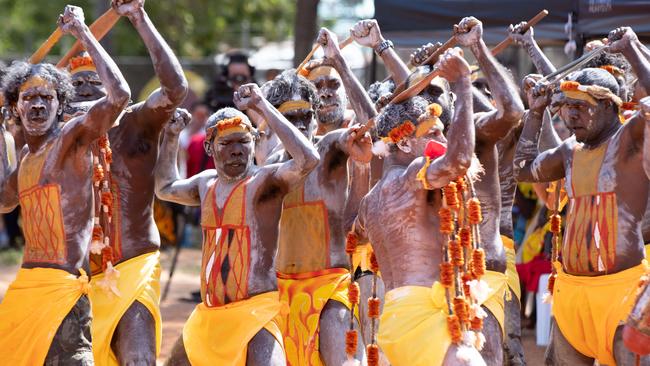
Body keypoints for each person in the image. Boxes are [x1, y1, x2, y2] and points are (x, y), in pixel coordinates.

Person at [60, 0, 189, 364]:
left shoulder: (137, 124)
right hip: (77, 279)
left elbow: (175, 88)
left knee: (138, 358)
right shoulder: (59, 139)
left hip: (134, 267)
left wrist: (138, 17)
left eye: (94, 80)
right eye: (77, 84)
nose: (86, 88)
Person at [0, 5, 130, 364]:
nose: (38, 105)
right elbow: (3, 201)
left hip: (64, 293)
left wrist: (83, 33)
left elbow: (119, 97)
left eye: (47, 98)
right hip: (26, 291)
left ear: (60, 105)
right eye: (29, 98)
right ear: (16, 107)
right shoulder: (25, 160)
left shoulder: (72, 138)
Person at [157, 84, 320, 365]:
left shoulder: (265, 182)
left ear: (254, 142)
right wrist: (171, 137)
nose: (236, 151)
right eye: (226, 143)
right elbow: (166, 188)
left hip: (256, 315)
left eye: (242, 142)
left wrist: (261, 106)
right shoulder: (205, 183)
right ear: (209, 147)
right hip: (210, 316)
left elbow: (308, 159)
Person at [513, 29, 650, 361]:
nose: (570, 115)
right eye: (567, 107)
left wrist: (631, 48)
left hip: (621, 294)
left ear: (607, 106)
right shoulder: (570, 151)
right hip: (571, 296)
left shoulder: (630, 139)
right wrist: (535, 112)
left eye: (581, 107)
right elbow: (522, 169)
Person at [351, 47, 485, 366]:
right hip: (427, 320)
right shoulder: (413, 175)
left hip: (393, 322)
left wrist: (359, 167)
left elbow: (353, 234)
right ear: (406, 142)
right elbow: (460, 160)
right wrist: (464, 84)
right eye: (435, 132)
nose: (444, 139)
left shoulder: (369, 202)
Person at [262, 30, 374, 363]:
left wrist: (339, 59)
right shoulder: (268, 168)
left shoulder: (329, 150)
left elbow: (372, 125)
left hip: (331, 288)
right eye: (289, 118)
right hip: (281, 292)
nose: (300, 125)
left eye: (305, 116)